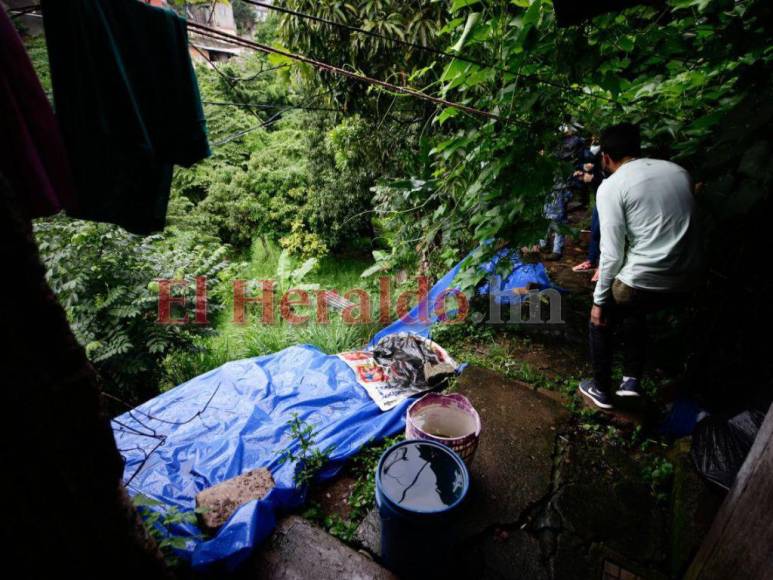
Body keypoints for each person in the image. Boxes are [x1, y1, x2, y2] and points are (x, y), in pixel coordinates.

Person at [579, 123, 703, 409]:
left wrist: (599, 301)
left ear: (606, 157)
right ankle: (631, 380)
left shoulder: (612, 186)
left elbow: (610, 252)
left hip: (646, 279)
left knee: (603, 316)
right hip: (689, 278)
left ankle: (600, 388)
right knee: (636, 309)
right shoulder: (678, 172)